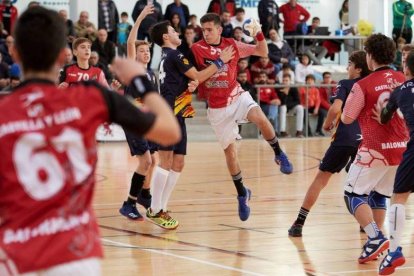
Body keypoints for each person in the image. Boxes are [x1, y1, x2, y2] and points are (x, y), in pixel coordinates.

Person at [0, 6, 180, 275]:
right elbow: (170, 131)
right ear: (64, 56)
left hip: (14, 257)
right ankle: (137, 199)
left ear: (14, 53)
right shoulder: (92, 98)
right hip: (75, 257)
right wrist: (139, 80)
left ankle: (138, 199)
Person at [191, 13, 293, 222]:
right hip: (217, 107)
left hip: (236, 95)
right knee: (230, 155)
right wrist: (219, 62)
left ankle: (278, 153)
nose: (206, 33)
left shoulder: (232, 44)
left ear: (220, 29)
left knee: (261, 118)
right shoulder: (197, 48)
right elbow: (196, 74)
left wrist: (259, 34)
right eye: (204, 30)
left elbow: (262, 51)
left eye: (210, 29)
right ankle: (242, 193)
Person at [148, 20, 235, 229]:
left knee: (178, 163)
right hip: (168, 114)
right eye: (173, 31)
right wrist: (220, 62)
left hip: (178, 113)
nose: (177, 33)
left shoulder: (169, 57)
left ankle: (162, 208)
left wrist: (191, 84)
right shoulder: (174, 54)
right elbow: (197, 75)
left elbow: (189, 80)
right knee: (166, 161)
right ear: (166, 38)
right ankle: (155, 208)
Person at [341, 34, 408, 264]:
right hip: (401, 150)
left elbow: (347, 118)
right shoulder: (403, 78)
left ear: (369, 57)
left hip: (374, 149)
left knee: (352, 194)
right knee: (380, 194)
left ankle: (375, 236)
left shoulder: (363, 84)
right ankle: (374, 243)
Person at [288, 51, 370, 237]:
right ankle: (366, 224)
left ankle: (299, 223)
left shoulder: (345, 84)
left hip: (345, 138)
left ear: (357, 69)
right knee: (364, 183)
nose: (347, 68)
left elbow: (335, 108)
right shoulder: (370, 83)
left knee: (321, 179)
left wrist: (327, 124)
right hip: (365, 139)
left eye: (349, 64)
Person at [375, 51, 414, 275]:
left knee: (399, 197)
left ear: (406, 69)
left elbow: (384, 117)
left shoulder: (399, 92)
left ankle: (395, 250)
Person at [119, 4, 159, 220]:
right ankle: (129, 204)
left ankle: (144, 194)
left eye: (148, 51)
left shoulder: (151, 75)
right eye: (142, 51)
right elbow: (130, 42)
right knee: (146, 161)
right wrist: (141, 17)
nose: (145, 53)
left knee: (154, 159)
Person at [278, 73, 304, 138]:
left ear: (290, 81)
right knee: (283, 107)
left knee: (300, 107)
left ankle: (299, 131)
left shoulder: (293, 88)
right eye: (283, 80)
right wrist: (285, 94)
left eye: (286, 80)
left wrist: (289, 105)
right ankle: (282, 131)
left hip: (291, 108)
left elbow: (298, 101)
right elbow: (282, 102)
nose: (285, 82)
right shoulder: (279, 88)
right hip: (282, 109)